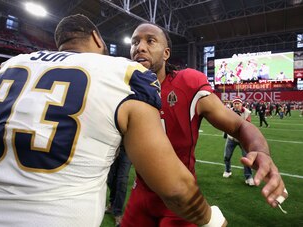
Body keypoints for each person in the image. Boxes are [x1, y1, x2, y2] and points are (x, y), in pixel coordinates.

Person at [0, 14, 227, 227]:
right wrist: (211, 219)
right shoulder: (123, 73)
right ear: (97, 39)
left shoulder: (13, 67)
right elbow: (176, 188)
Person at [121, 22, 287, 227]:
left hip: (181, 195)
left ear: (166, 53)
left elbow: (238, 126)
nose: (140, 47)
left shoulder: (187, 84)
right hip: (140, 194)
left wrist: (261, 151)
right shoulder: (121, 88)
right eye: (135, 42)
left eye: (150, 41)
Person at [222, 97, 255, 186]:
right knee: (227, 156)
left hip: (242, 139)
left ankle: (248, 177)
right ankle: (227, 170)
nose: (236, 105)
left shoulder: (247, 112)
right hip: (231, 138)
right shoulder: (229, 111)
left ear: (241, 104)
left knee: (246, 158)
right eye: (235, 103)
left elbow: (247, 126)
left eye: (238, 103)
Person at [105, 144, 131, 226]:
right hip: (113, 147)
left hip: (127, 150)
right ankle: (112, 204)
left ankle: (117, 212)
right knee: (110, 179)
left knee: (122, 181)